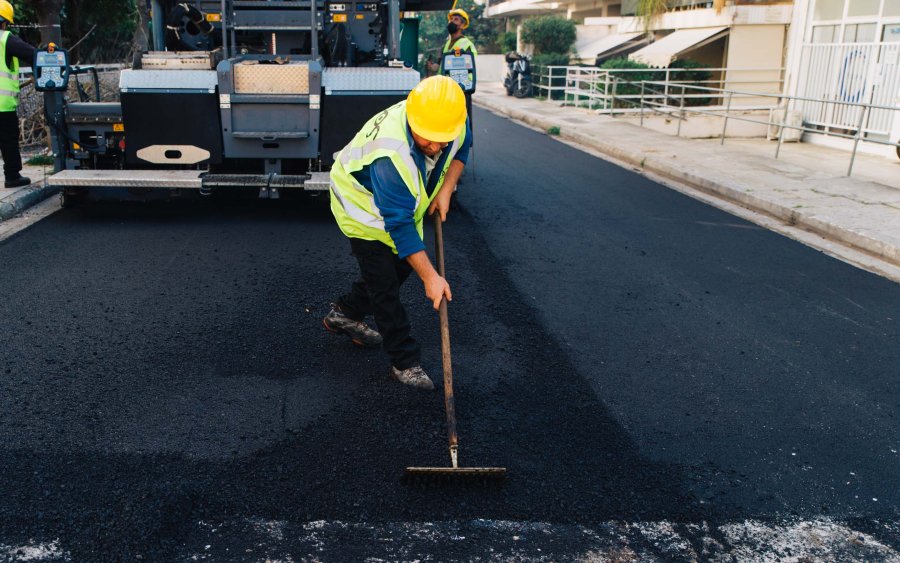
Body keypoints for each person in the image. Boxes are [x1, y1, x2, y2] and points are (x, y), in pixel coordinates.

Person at [324, 75, 470, 390]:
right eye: (428, 138)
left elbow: (462, 146)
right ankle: (405, 362)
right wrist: (432, 278)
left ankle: (344, 314)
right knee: (384, 286)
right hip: (362, 209)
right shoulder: (391, 159)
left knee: (401, 267)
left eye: (441, 138)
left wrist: (446, 189)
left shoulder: (447, 117)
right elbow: (400, 228)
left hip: (402, 209)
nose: (436, 146)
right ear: (413, 121)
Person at [0, 0, 34, 189]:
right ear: (5, 22)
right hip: (2, 104)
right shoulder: (5, 39)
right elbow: (32, 54)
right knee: (8, 140)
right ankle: (12, 176)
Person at [439, 8, 477, 122]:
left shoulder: (466, 45)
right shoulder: (447, 45)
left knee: (461, 122)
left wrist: (464, 88)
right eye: (451, 19)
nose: (451, 22)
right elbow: (443, 67)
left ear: (462, 25)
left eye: (455, 20)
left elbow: (470, 70)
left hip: (461, 91)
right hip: (447, 89)